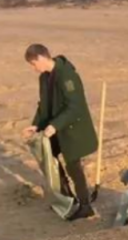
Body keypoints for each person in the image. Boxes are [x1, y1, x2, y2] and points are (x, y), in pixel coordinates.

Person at [21, 44, 98, 221]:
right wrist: (36, 125)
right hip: (54, 127)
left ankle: (85, 206)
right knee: (51, 159)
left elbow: (75, 107)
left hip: (71, 128)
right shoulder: (44, 77)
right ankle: (67, 198)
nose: (34, 69)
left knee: (73, 167)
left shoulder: (67, 76)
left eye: (33, 64)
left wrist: (55, 125)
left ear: (41, 58)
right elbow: (44, 105)